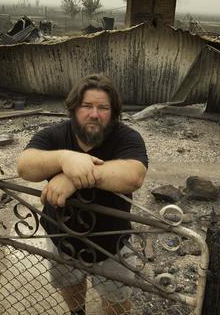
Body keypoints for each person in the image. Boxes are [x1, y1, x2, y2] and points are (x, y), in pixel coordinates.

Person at [17, 74, 148, 315]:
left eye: (103, 107)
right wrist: (64, 158)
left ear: (114, 113)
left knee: (116, 301)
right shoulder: (55, 135)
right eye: (87, 106)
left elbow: (134, 176)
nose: (94, 114)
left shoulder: (126, 137)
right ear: (74, 108)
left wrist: (73, 178)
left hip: (111, 243)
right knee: (69, 284)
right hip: (61, 238)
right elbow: (25, 166)